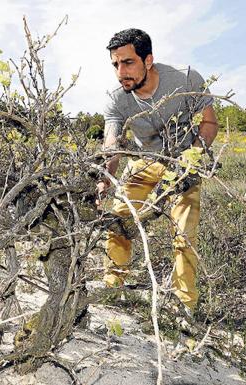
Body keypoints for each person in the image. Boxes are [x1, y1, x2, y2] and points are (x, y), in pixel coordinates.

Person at [97, 28, 219, 313]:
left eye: (128, 63)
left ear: (148, 60)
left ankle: (185, 306)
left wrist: (194, 157)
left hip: (183, 164)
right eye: (115, 64)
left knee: (184, 236)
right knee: (118, 220)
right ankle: (113, 291)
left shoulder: (186, 79)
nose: (120, 72)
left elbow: (209, 123)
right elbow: (112, 145)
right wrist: (104, 179)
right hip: (144, 163)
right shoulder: (117, 99)